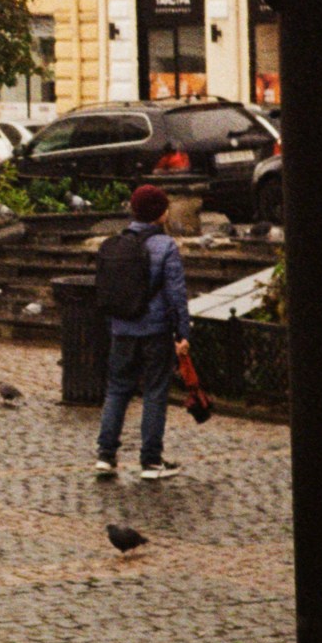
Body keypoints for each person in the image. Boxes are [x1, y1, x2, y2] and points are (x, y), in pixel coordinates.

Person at [93, 183, 189, 479]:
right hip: (155, 330)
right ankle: (151, 461)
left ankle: (106, 456)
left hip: (122, 327)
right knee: (155, 393)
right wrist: (182, 333)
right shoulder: (165, 246)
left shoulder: (118, 243)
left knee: (118, 389)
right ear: (160, 213)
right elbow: (176, 294)